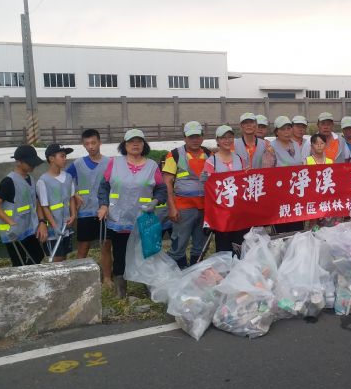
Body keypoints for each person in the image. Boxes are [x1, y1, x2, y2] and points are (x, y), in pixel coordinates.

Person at [97, 129, 167, 297]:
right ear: (125, 145)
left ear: (144, 145)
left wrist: (156, 201)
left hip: (143, 219)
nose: (135, 144)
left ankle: (148, 287)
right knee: (120, 254)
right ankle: (121, 290)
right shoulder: (114, 163)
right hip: (119, 218)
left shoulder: (151, 166)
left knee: (146, 254)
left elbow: (161, 189)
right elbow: (104, 187)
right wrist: (104, 205)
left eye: (139, 141)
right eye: (131, 141)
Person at [162, 121, 211, 268]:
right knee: (179, 243)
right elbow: (167, 183)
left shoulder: (209, 155)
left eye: (197, 136)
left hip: (204, 208)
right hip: (183, 209)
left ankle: (196, 273)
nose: (195, 140)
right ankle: (178, 274)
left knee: (200, 244)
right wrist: (172, 208)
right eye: (191, 137)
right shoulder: (174, 155)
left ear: (202, 137)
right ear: (185, 138)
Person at [0, 145, 48, 266]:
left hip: (28, 230)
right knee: (19, 263)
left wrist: (42, 222)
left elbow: (36, 202)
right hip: (13, 233)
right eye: (30, 163)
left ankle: (29, 276)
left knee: (38, 255)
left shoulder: (30, 179)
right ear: (19, 162)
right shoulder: (9, 182)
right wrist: (11, 222)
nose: (33, 166)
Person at [67, 129, 112, 284]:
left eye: (93, 142)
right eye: (87, 144)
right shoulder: (77, 164)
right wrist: (74, 194)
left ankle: (107, 278)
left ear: (100, 142)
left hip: (104, 211)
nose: (91, 146)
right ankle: (78, 278)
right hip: (85, 212)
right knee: (83, 247)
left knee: (105, 246)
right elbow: (65, 180)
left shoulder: (110, 163)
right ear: (83, 145)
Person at [201, 125, 248, 253]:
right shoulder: (211, 162)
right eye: (223, 138)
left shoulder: (240, 159)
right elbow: (208, 188)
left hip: (239, 212)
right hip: (222, 213)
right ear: (217, 140)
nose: (227, 140)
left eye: (230, 137)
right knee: (224, 248)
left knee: (241, 245)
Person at [38, 144, 77, 262]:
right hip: (53, 228)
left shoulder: (68, 177)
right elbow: (44, 206)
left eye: (65, 156)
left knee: (64, 255)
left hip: (66, 225)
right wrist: (54, 225)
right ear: (51, 158)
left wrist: (73, 215)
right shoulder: (43, 181)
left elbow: (71, 198)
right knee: (56, 257)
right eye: (62, 156)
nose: (65, 159)